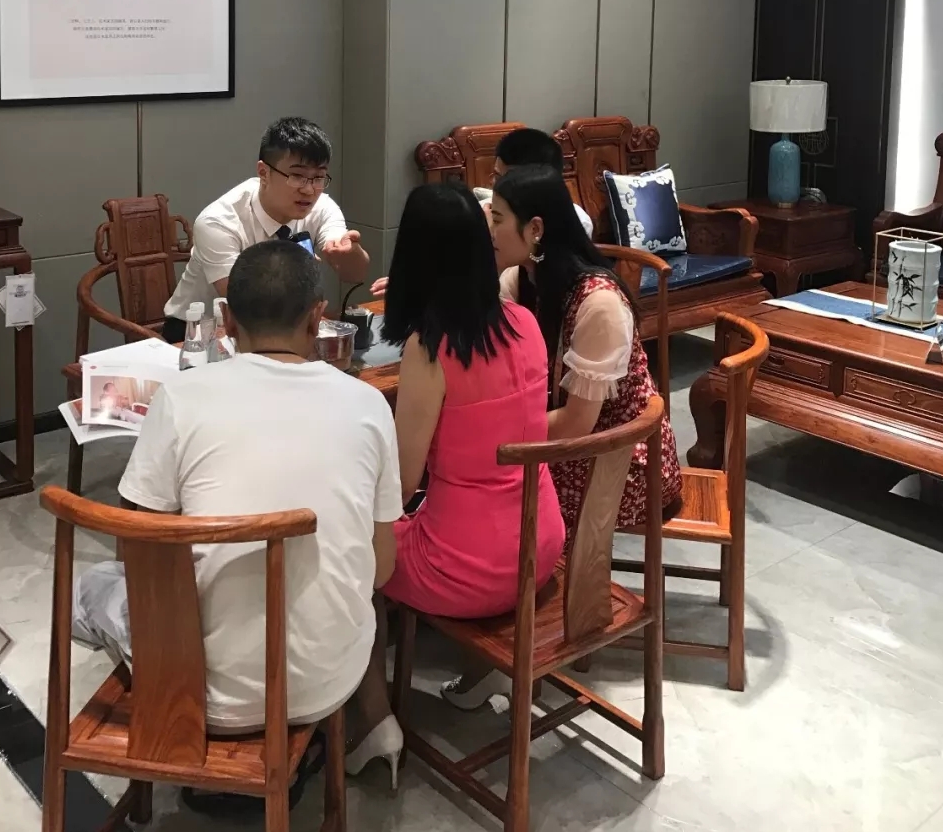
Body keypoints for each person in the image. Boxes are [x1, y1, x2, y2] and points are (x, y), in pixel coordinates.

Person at [73, 240, 402, 745]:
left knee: (97, 582)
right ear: (317, 318)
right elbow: (381, 570)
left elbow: (139, 558)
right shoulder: (369, 404)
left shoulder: (179, 398)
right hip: (331, 683)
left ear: (226, 321)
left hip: (197, 693)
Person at [345, 183, 565, 788]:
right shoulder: (524, 322)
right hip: (540, 544)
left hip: (468, 566)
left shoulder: (430, 348)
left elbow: (399, 484)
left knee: (357, 558)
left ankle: (372, 721)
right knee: (413, 526)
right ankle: (478, 671)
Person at [491, 164, 682, 530]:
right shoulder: (524, 278)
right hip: (571, 446)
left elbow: (575, 423)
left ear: (535, 229)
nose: (491, 231)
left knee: (489, 493)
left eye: (498, 220)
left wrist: (496, 436)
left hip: (619, 460)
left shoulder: (598, 303)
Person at [162, 117, 369, 342]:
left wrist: (350, 253)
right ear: (263, 172)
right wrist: (294, 272)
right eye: (297, 176)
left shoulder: (321, 207)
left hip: (282, 329)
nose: (309, 190)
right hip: (196, 332)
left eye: (318, 177)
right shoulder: (218, 221)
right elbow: (245, 306)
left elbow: (354, 274)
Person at [369, 127, 591, 299]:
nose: (495, 185)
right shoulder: (479, 210)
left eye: (504, 179)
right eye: (495, 175)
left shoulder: (570, 222)